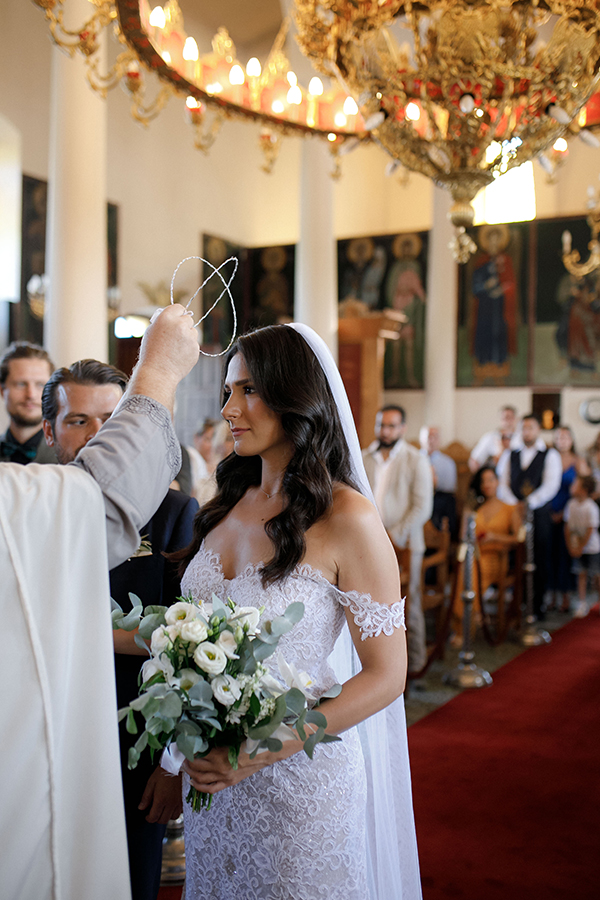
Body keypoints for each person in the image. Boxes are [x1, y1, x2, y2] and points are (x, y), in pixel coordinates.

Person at [170, 325, 421, 900]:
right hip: (214, 785)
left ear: (295, 397)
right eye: (228, 391)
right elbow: (180, 635)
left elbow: (387, 675)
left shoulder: (347, 517)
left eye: (249, 391)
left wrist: (259, 751)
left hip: (300, 787)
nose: (229, 408)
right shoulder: (227, 503)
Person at [0, 304, 199, 900]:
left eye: (113, 420)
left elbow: (188, 636)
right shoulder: (37, 506)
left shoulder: (175, 514)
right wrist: (160, 370)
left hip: (131, 719)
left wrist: (169, 763)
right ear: (50, 426)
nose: (96, 438)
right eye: (78, 421)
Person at [363, 405, 433, 674]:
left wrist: (394, 535)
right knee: (370, 603)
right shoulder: (364, 456)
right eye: (381, 425)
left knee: (409, 601)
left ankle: (415, 664)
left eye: (392, 426)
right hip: (368, 544)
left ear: (403, 428)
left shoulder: (416, 459)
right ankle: (377, 668)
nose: (386, 431)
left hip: (405, 544)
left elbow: (422, 507)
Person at [497, 413, 562, 618]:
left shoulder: (549, 455)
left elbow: (551, 485)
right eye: (524, 428)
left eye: (531, 428)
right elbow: (502, 482)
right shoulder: (511, 454)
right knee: (516, 557)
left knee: (539, 558)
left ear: (538, 430)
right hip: (514, 512)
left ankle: (537, 604)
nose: (527, 432)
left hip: (539, 513)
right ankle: (517, 603)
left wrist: (529, 503)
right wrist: (515, 503)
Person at [452, 466, 522, 643]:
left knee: (472, 570)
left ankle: (470, 620)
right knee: (465, 571)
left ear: (498, 482)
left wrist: (494, 537)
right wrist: (468, 511)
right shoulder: (477, 507)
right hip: (476, 554)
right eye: (483, 481)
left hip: (496, 558)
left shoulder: (509, 508)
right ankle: (463, 624)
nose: (487, 484)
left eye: (491, 480)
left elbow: (518, 538)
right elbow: (463, 537)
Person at [548, 426, 587, 612]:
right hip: (549, 511)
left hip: (569, 514)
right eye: (558, 437)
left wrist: (566, 512)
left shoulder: (578, 461)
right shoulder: (549, 458)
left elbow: (588, 489)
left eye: (565, 437)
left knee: (564, 555)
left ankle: (565, 597)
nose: (562, 440)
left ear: (571, 440)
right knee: (549, 554)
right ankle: (551, 596)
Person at [0, 341, 56, 464]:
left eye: (40, 385)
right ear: (2, 390)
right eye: (21, 384)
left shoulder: (68, 456)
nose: (30, 395)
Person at [564, 474, 600, 618]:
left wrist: (581, 547)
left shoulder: (591, 507)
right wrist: (571, 546)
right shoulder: (571, 505)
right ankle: (582, 602)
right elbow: (567, 527)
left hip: (591, 548)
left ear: (584, 490)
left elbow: (591, 529)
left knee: (596, 576)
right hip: (577, 547)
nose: (572, 487)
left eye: (575, 484)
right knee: (581, 574)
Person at [420, 425, 458, 538]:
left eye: (434, 437)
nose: (431, 440)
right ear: (421, 439)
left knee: (447, 502)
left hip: (439, 499)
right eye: (428, 436)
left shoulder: (448, 463)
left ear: (439, 440)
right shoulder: (413, 459)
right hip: (418, 496)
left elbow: (449, 488)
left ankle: (441, 538)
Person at [468, 404, 520, 473]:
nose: (507, 421)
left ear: (515, 419)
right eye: (504, 418)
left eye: (510, 417)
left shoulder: (521, 439)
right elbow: (474, 460)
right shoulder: (489, 437)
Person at [186, 417, 217, 498]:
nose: (211, 445)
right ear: (196, 438)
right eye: (207, 439)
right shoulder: (191, 455)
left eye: (215, 440)